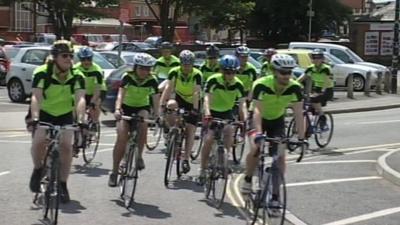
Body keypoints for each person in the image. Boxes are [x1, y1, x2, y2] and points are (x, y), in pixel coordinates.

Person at [241, 54, 305, 210]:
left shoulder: (295, 87)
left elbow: (298, 113)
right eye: (283, 72)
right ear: (274, 71)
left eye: (289, 72)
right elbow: (257, 110)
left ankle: (275, 196)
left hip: (277, 121)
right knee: (256, 148)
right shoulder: (261, 84)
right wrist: (259, 134)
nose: (286, 76)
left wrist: (302, 139)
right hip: (258, 119)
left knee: (280, 157)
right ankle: (248, 178)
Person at [29, 40, 86, 203]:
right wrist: (35, 117)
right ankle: (38, 169)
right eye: (64, 55)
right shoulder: (42, 72)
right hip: (45, 112)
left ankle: (62, 184)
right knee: (38, 142)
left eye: (71, 55)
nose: (69, 59)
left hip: (65, 113)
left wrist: (81, 119)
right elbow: (36, 96)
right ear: (54, 57)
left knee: (66, 148)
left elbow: (80, 98)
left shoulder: (77, 75)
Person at [108, 53, 159, 187]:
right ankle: (114, 171)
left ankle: (139, 156)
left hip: (142, 107)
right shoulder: (128, 77)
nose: (144, 72)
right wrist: (118, 109)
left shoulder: (152, 80)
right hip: (126, 107)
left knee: (143, 122)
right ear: (136, 67)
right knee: (122, 137)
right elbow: (120, 95)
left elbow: (155, 99)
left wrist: (158, 116)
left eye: (148, 69)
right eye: (142, 68)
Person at [198, 55, 247, 184]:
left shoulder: (238, 84)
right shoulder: (213, 80)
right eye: (227, 72)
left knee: (230, 131)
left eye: (232, 72)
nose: (230, 75)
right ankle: (202, 170)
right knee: (208, 139)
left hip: (227, 112)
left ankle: (224, 158)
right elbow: (207, 98)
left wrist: (244, 120)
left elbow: (242, 104)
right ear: (221, 71)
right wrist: (207, 113)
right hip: (212, 112)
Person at [159, 50, 202, 174]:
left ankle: (186, 159)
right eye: (184, 64)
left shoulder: (197, 74)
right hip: (180, 97)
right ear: (180, 63)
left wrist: (194, 109)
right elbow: (168, 88)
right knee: (170, 105)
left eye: (189, 64)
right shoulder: (174, 72)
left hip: (192, 100)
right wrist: (162, 105)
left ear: (192, 64)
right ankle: (172, 129)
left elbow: (196, 92)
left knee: (190, 130)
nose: (186, 67)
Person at [297, 49, 334, 129]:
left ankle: (323, 118)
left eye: (318, 58)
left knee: (314, 100)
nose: (316, 60)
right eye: (314, 58)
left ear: (322, 59)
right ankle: (307, 132)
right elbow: (301, 78)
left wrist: (322, 91)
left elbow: (327, 81)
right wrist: (294, 85)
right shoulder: (310, 68)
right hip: (316, 89)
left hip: (327, 90)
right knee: (308, 109)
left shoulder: (326, 68)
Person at [74, 47, 104, 123]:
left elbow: (97, 89)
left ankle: (94, 122)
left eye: (89, 59)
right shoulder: (75, 69)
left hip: (97, 90)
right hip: (83, 92)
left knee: (94, 105)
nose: (86, 62)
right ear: (80, 59)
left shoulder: (97, 70)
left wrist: (92, 102)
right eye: (83, 59)